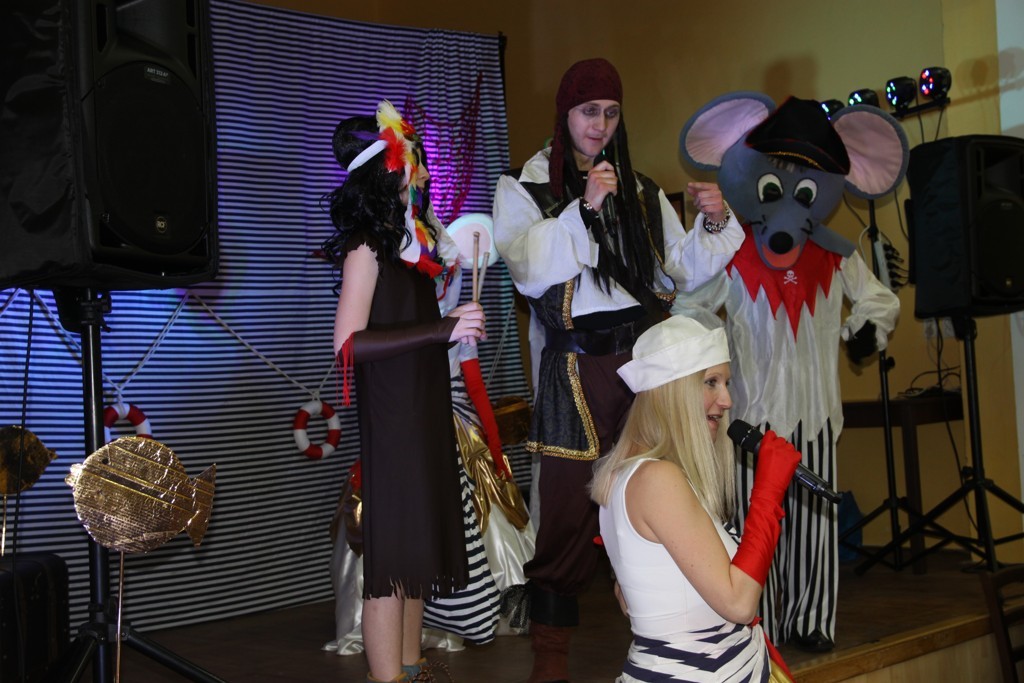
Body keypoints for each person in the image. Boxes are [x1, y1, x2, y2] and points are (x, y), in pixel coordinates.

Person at [491, 57, 744, 681]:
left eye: (610, 113)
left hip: (646, 364)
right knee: (566, 513)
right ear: (565, 115)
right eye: (588, 112)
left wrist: (714, 220)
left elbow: (679, 268)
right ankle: (550, 659)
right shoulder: (523, 186)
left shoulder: (641, 188)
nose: (599, 125)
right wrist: (583, 207)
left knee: (665, 486)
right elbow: (526, 269)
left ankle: (674, 634)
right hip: (575, 369)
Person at [324, 100, 486, 683]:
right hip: (394, 417)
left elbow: (412, 327)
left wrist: (451, 322)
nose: (419, 171)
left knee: (416, 552)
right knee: (393, 561)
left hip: (424, 408)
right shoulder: (366, 246)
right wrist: (442, 329)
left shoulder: (410, 246)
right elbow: (348, 344)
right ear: (385, 169)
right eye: (409, 160)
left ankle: (411, 669)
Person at [591, 315, 800, 681]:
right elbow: (739, 604)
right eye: (711, 382)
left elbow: (636, 596)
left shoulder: (634, 474)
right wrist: (768, 492)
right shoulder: (657, 479)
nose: (727, 400)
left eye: (726, 383)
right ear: (673, 390)